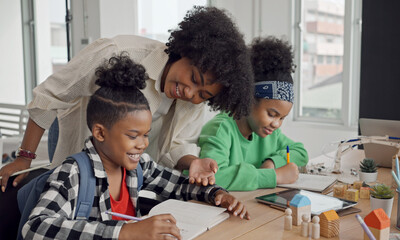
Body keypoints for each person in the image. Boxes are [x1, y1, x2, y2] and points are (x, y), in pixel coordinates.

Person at [0, 6, 254, 192]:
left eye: (203, 95)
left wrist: (193, 162)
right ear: (186, 51)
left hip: (125, 170)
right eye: (193, 78)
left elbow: (175, 146)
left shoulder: (194, 103)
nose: (190, 93)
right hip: (80, 134)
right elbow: (51, 95)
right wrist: (24, 157)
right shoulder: (118, 53)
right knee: (65, 189)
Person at [22, 54, 249, 239]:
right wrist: (124, 232)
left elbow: (179, 186)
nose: (143, 144)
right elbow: (35, 228)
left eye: (146, 135)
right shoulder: (73, 173)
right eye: (133, 136)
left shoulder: (139, 166)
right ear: (100, 132)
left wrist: (217, 194)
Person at [197, 36, 309, 191]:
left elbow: (301, 152)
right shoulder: (221, 129)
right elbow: (211, 177)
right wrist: (273, 176)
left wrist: (272, 162)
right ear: (248, 98)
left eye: (282, 118)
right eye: (271, 114)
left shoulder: (270, 133)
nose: (276, 124)